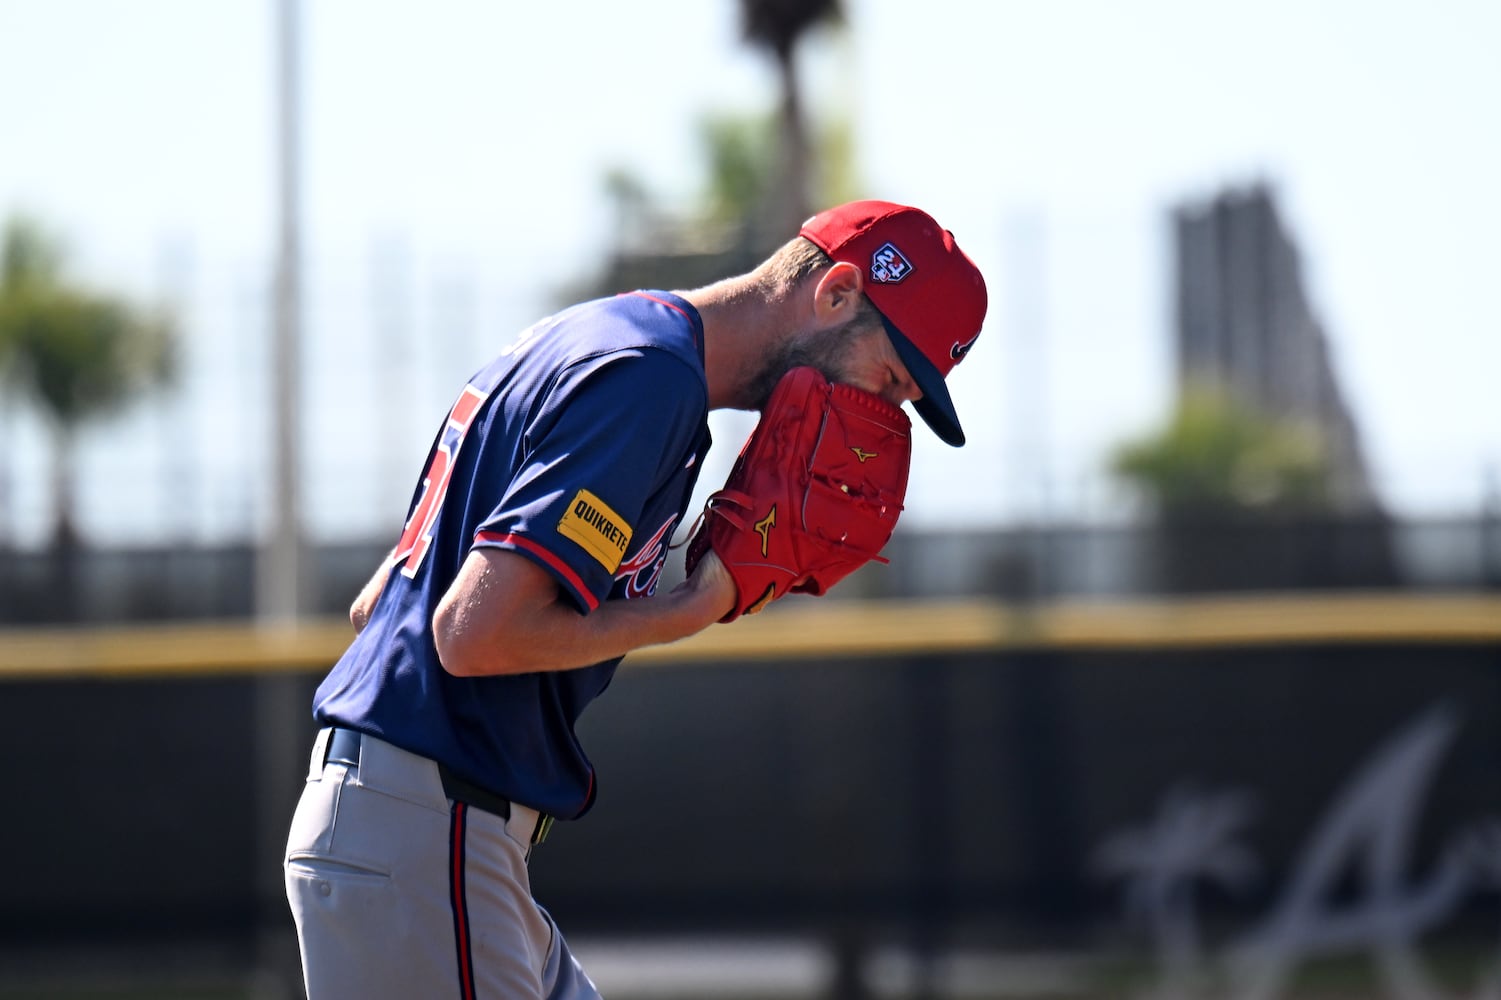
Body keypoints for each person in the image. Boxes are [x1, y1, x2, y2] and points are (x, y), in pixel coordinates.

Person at [283, 199, 988, 999]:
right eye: (890, 378)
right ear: (835, 293)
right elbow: (469, 636)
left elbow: (379, 607)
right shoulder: (648, 381)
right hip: (423, 829)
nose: (880, 413)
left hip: (414, 827)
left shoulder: (599, 340)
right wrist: (686, 610)